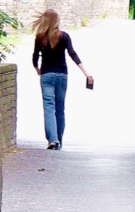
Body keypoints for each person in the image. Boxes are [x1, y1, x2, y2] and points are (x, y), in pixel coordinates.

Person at [31, 9, 93, 150]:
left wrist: (37, 70)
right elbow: (72, 54)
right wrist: (86, 73)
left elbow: (34, 58)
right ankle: (58, 141)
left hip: (46, 76)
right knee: (60, 109)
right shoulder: (64, 37)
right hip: (62, 76)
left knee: (48, 107)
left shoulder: (40, 38)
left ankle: (53, 140)